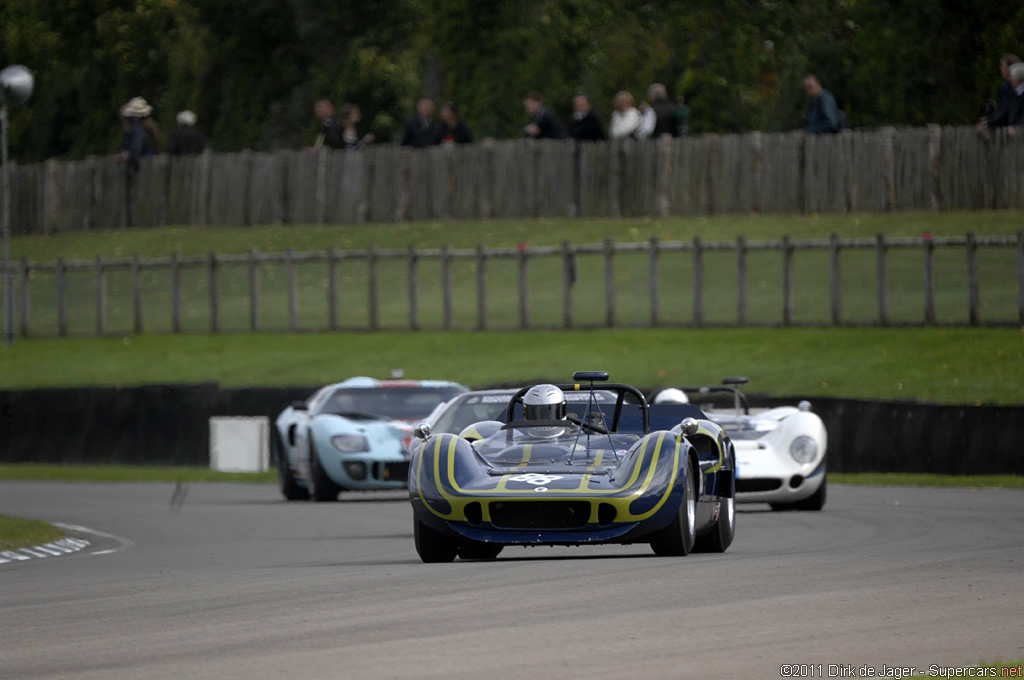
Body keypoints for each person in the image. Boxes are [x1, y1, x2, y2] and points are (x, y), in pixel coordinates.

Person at [115, 97, 155, 227]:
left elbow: (137, 149)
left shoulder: (139, 130)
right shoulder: (148, 128)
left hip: (142, 166)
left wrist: (128, 155)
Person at [979, 54, 1022, 131]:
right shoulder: (1006, 86)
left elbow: (1007, 110)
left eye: (1002, 65)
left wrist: (990, 122)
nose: (1000, 68)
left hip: (1013, 129)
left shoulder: (1013, 89)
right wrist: (990, 119)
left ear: (1009, 67)